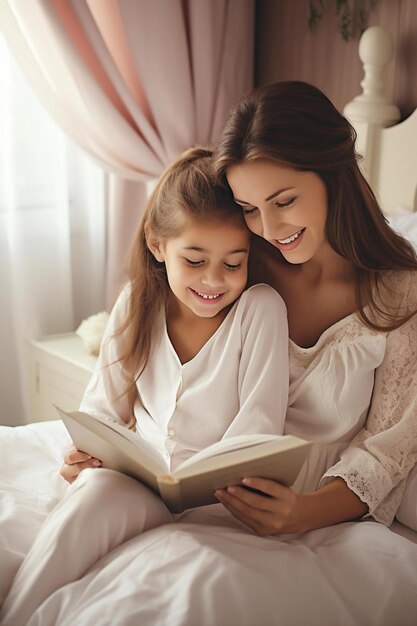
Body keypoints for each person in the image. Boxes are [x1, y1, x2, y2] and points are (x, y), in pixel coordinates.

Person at [0, 148, 289, 625]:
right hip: (138, 484)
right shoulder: (139, 301)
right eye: (194, 260)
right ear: (158, 246)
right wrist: (85, 454)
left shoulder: (260, 310)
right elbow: (101, 410)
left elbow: (258, 429)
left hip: (218, 505)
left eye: (234, 264)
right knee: (89, 504)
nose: (214, 280)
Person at [211, 80, 417, 536]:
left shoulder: (400, 293)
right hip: (209, 495)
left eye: (284, 202)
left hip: (318, 520)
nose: (268, 228)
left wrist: (304, 513)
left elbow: (388, 448)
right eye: (249, 208)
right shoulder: (239, 264)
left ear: (333, 174)